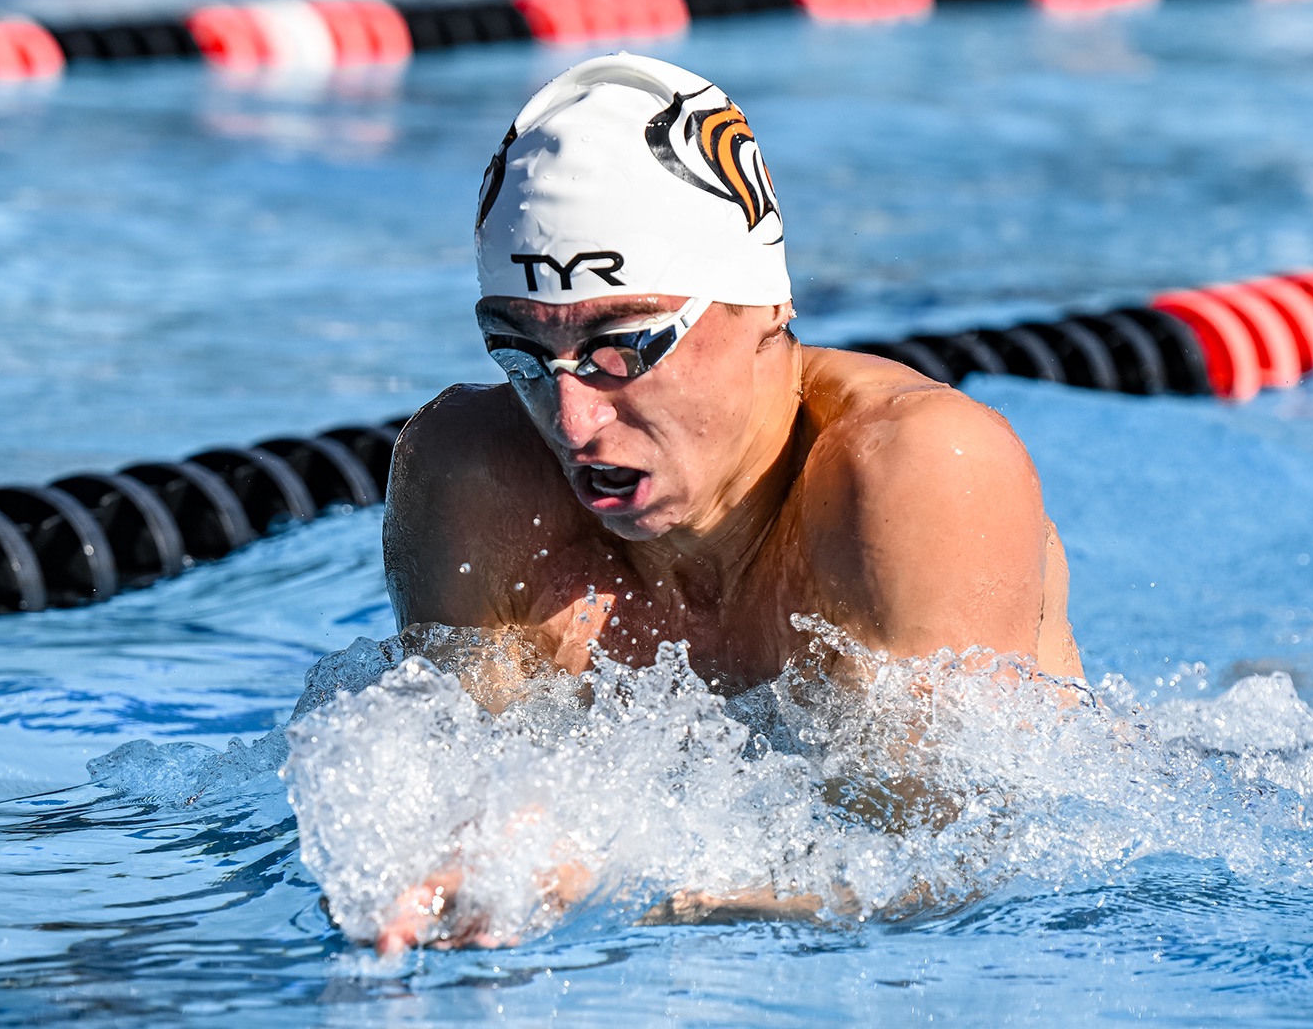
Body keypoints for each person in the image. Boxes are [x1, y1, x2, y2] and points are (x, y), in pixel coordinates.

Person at [376, 53, 1080, 952]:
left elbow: (949, 865)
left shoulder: (913, 472)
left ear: (767, 306)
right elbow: (455, 799)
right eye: (519, 351)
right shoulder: (472, 479)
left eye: (623, 345)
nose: (572, 418)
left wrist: (621, 870)